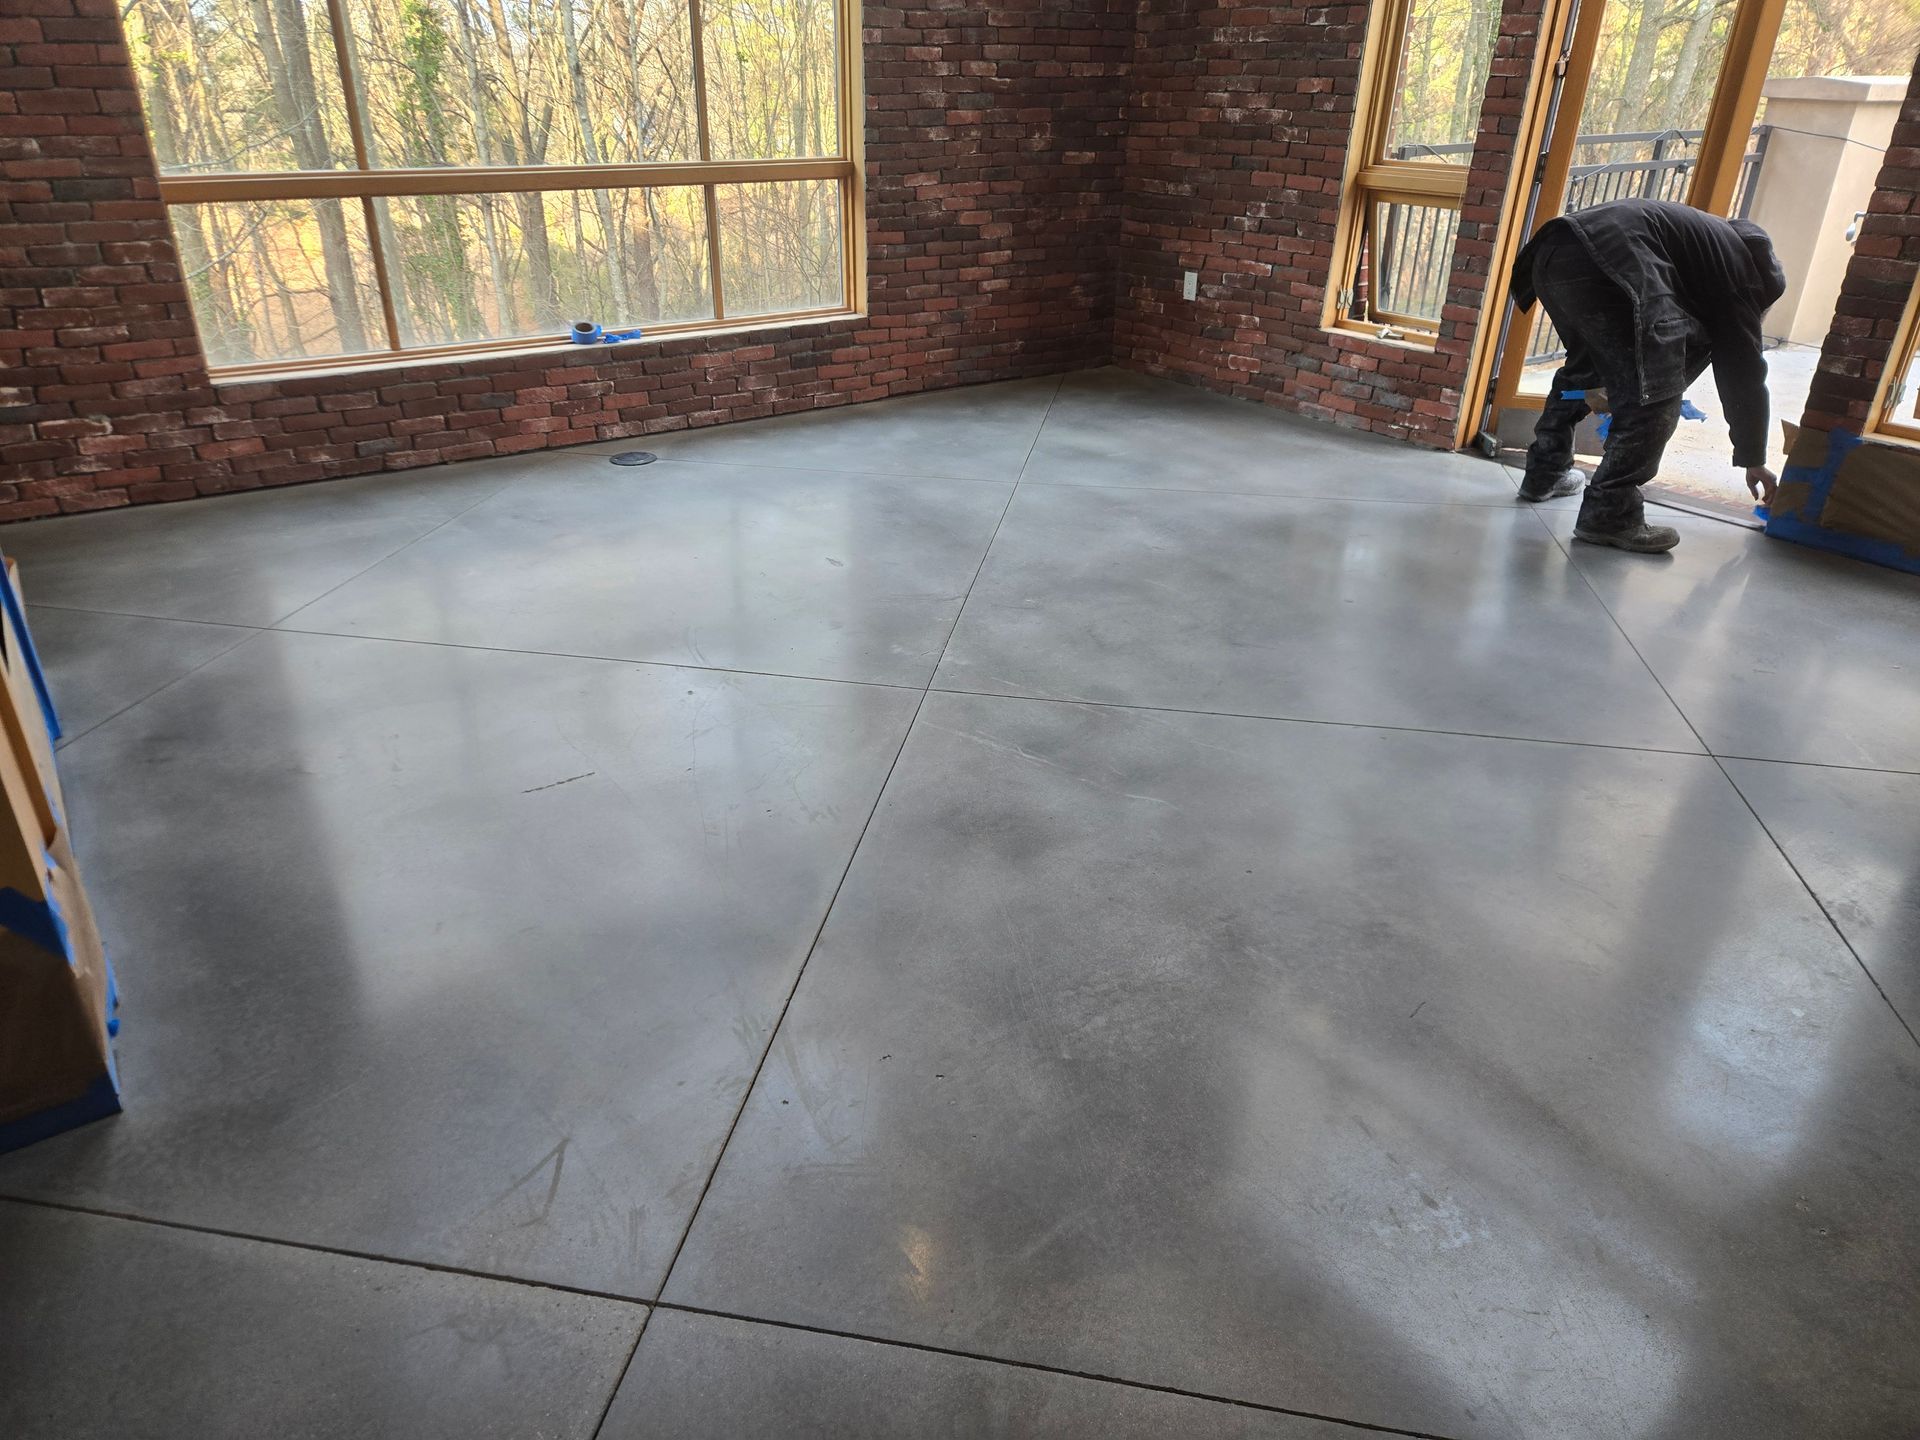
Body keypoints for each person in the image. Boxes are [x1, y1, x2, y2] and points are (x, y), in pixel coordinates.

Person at [1510, 197, 1788, 553]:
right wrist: (1754, 457)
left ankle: (1544, 473)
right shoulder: (1743, 278)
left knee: (1583, 370)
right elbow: (1743, 373)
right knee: (1654, 394)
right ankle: (1610, 513)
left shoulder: (1706, 244)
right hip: (1611, 264)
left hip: (1552, 252)